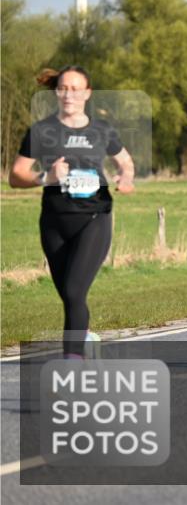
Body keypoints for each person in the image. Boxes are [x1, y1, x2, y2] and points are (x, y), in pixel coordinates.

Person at [8, 66, 135, 359]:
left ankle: (73, 363)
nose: (69, 94)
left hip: (95, 218)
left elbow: (125, 162)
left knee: (76, 291)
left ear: (87, 93)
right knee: (68, 293)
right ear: (56, 92)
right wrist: (46, 177)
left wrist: (125, 179)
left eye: (76, 89)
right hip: (54, 222)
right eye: (64, 88)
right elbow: (16, 175)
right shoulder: (41, 131)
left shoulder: (102, 130)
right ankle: (85, 336)